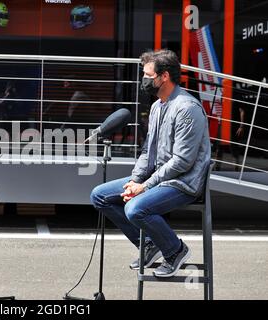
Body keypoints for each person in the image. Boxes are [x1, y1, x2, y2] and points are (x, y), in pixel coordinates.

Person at [90, 49, 211, 278]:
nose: (143, 80)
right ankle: (149, 245)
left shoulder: (187, 108)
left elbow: (182, 162)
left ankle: (175, 250)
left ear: (164, 76)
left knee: (135, 208)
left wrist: (143, 187)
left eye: (147, 75)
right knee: (99, 195)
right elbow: (148, 151)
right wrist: (136, 180)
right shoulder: (157, 106)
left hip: (183, 183)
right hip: (158, 178)